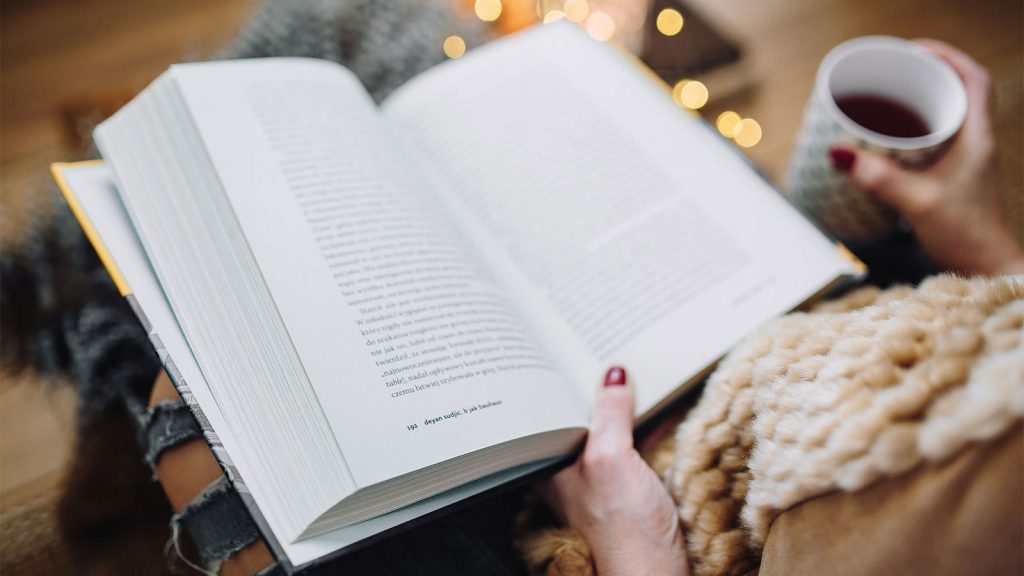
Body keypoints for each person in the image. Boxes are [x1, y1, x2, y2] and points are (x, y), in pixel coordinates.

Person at [152, 39, 1024, 575]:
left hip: (695, 517)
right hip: (889, 333)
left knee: (199, 398)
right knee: (736, 186)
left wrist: (638, 548)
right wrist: (991, 253)